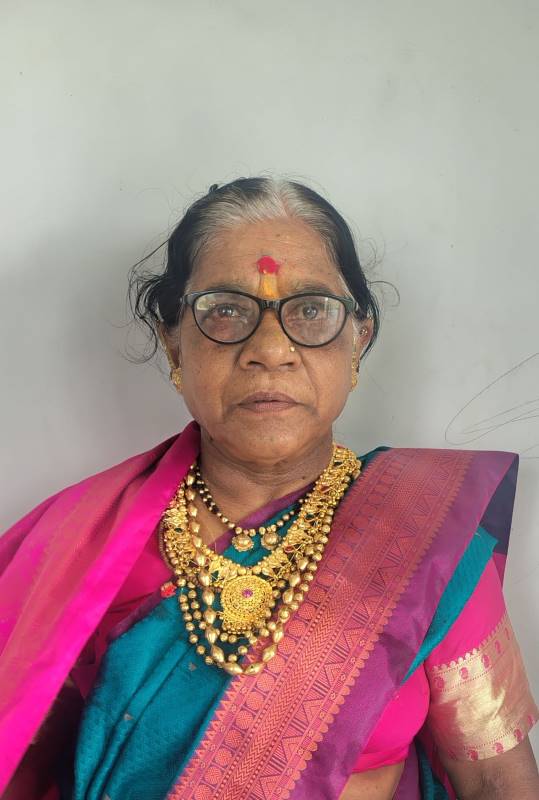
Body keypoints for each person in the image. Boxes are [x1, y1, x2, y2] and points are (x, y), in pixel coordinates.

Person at [1, 177, 538, 800]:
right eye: (226, 310)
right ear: (173, 340)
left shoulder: (424, 534)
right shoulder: (79, 547)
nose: (271, 349)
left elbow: (496, 779)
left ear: (358, 338)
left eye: (310, 310)